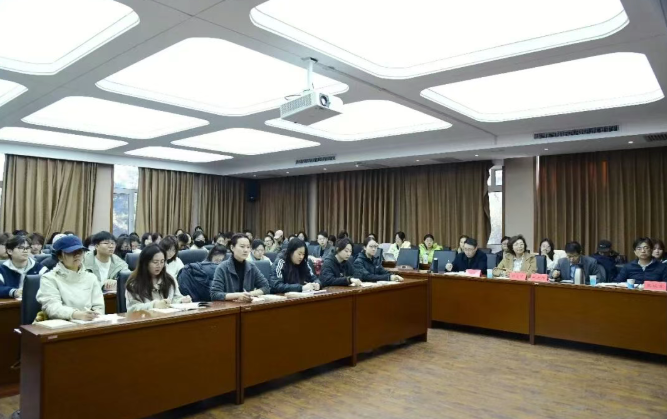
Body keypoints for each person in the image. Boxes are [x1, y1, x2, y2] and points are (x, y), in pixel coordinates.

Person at [35, 235, 105, 320]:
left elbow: (99, 306)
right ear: (60, 256)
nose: (77, 255)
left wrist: (96, 315)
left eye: (80, 251)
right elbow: (52, 307)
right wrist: (76, 314)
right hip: (61, 323)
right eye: (71, 252)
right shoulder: (49, 278)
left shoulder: (91, 277)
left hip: (89, 323)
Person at [125, 244, 191, 312]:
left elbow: (175, 298)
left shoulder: (169, 279)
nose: (159, 265)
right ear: (145, 263)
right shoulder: (134, 283)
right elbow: (132, 309)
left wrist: (181, 300)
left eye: (162, 262)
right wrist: (154, 305)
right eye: (155, 262)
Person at [210, 234, 269, 302]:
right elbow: (215, 294)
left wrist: (248, 294)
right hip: (229, 306)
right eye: (242, 246)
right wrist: (238, 295)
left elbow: (266, 287)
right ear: (232, 247)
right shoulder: (222, 268)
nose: (246, 250)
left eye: (248, 247)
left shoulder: (252, 267)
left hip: (247, 305)